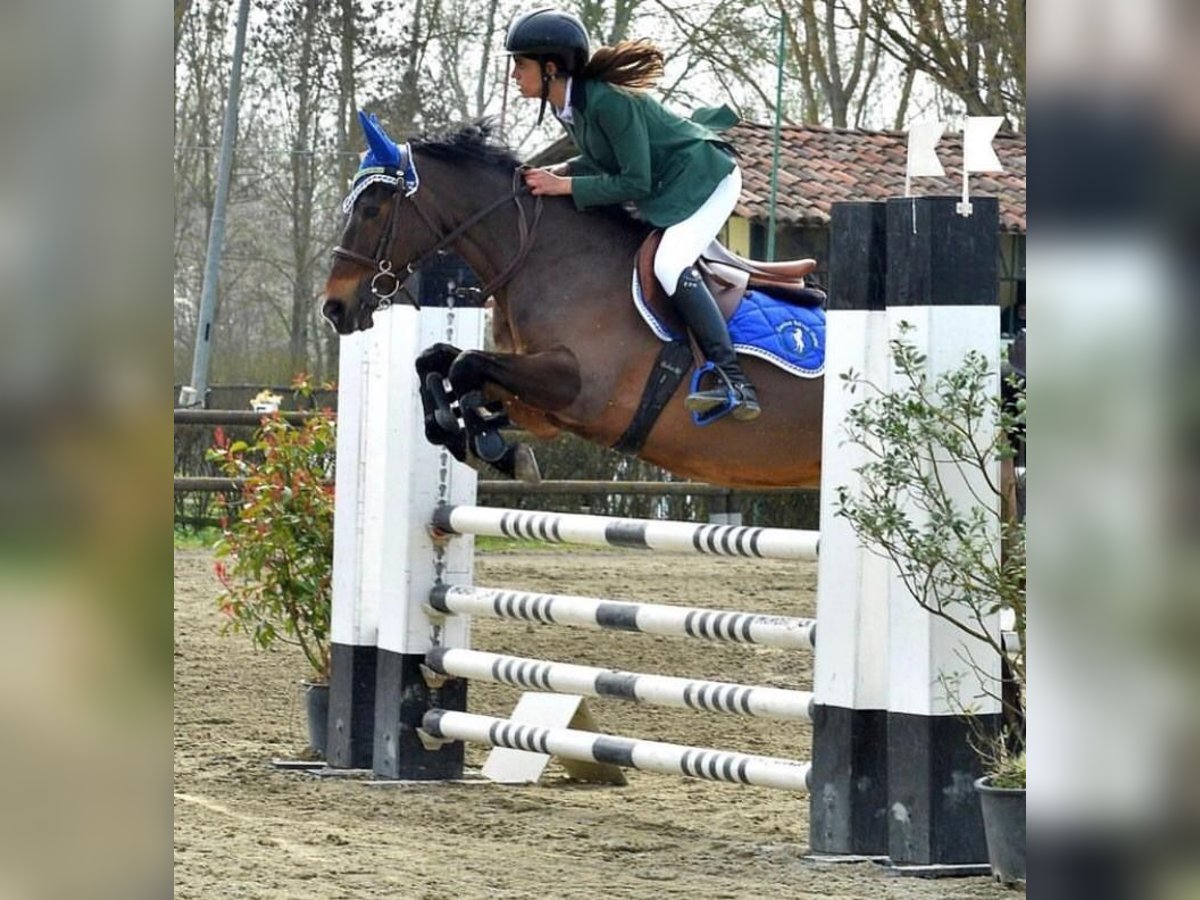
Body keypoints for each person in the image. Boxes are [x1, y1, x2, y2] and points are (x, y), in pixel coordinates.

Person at [505, 7, 760, 421]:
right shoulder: (569, 107)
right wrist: (562, 171)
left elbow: (635, 181)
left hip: (707, 178)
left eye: (520, 64)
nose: (515, 75)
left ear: (550, 67)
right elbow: (604, 161)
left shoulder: (606, 101)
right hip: (672, 183)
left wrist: (563, 185)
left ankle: (735, 379)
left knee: (670, 264)